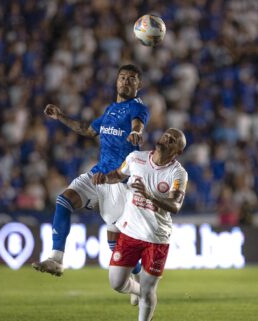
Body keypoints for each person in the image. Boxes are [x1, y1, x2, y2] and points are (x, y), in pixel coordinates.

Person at [32, 64, 150, 278]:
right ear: (116, 81)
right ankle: (56, 259)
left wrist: (135, 132)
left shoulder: (138, 107)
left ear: (138, 85)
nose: (125, 81)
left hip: (119, 181)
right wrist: (60, 117)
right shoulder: (110, 110)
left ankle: (140, 277)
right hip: (98, 174)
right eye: (122, 77)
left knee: (116, 246)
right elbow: (87, 130)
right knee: (64, 200)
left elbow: (137, 124)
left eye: (131, 78)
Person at [92, 128, 188, 321]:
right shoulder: (136, 158)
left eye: (172, 140)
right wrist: (105, 178)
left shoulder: (178, 174)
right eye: (166, 135)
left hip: (157, 238)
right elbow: (119, 175)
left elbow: (175, 206)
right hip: (129, 233)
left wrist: (148, 195)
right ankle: (137, 290)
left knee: (149, 289)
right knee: (116, 283)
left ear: (177, 151)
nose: (166, 139)